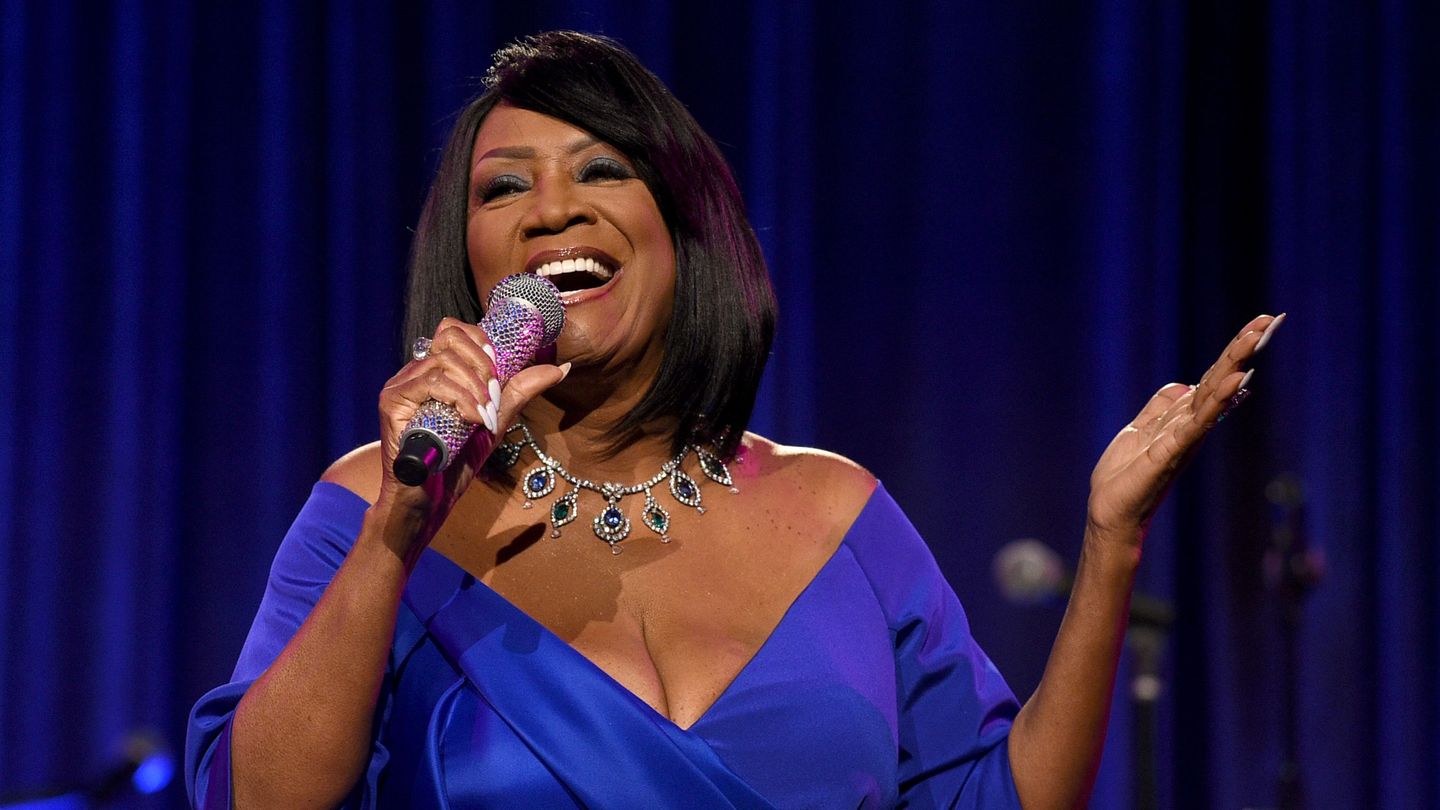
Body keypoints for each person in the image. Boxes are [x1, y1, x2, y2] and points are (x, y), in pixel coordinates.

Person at [184, 31, 1283, 809]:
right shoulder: (375, 502)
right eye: (503, 188)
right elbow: (259, 798)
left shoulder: (837, 512)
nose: (552, 208)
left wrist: (1110, 544)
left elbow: (996, 797)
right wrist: (396, 539)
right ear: (467, 258)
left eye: (602, 169)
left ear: (681, 231)